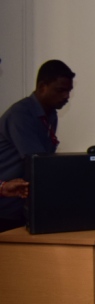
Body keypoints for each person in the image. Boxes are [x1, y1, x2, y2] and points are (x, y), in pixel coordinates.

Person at [0, 59, 75, 231]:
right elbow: (38, 163)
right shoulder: (21, 114)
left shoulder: (50, 114)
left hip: (22, 205)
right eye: (60, 90)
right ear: (42, 87)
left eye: (69, 91)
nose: (66, 96)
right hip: (5, 207)